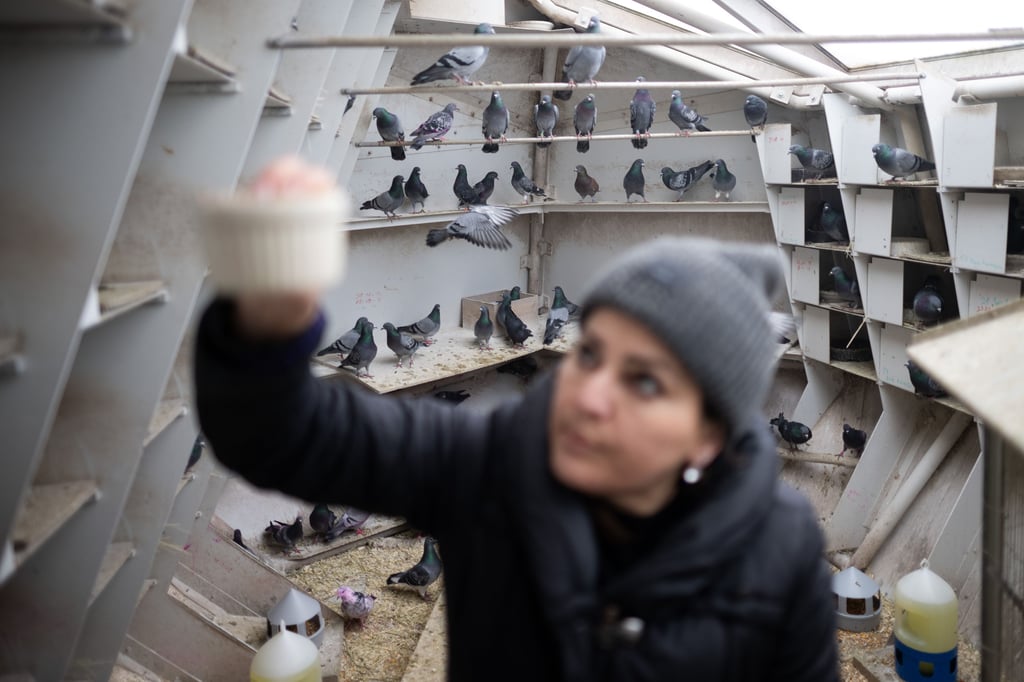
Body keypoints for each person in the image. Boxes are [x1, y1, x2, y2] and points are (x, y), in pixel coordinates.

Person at [195, 236, 839, 681]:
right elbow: (272, 432)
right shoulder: (491, 462)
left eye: (644, 382)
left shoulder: (779, 548)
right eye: (591, 354)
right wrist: (261, 321)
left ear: (709, 434)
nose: (589, 397)